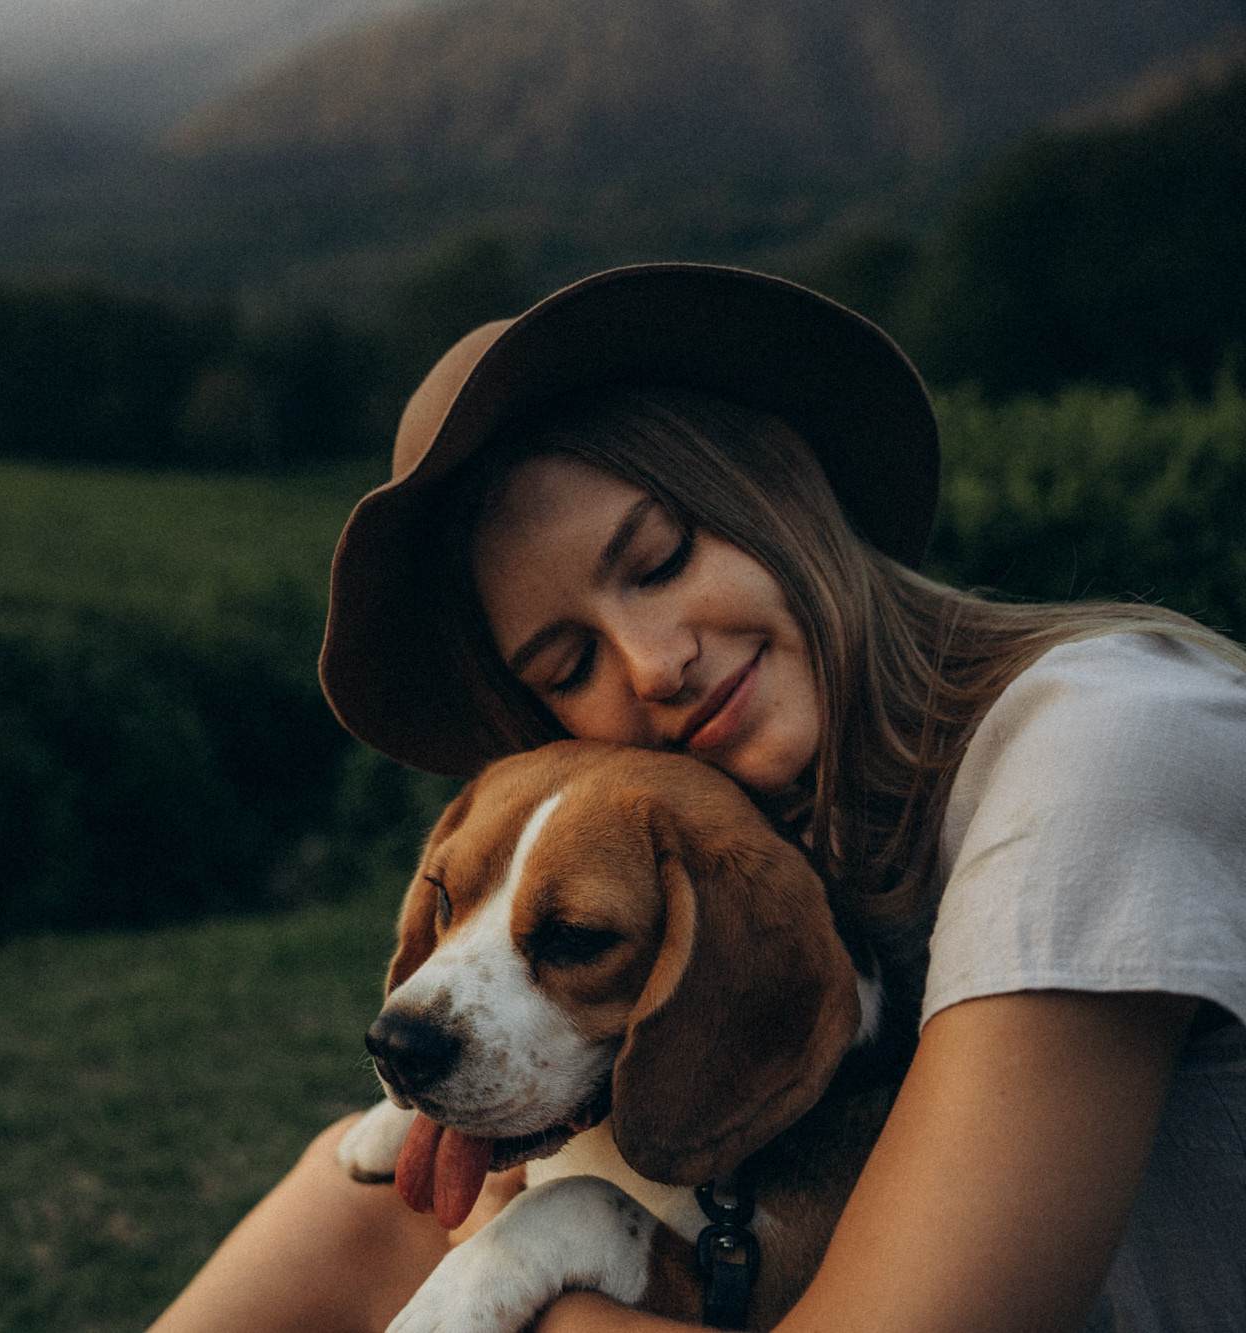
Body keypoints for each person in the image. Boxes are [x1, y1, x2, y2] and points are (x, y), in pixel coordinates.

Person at [148, 264, 1246, 1332]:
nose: (649, 664)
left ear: (777, 485)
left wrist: (524, 1267)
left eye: (660, 558)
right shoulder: (801, 819)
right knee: (348, 1196)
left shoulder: (1100, 748)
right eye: (567, 665)